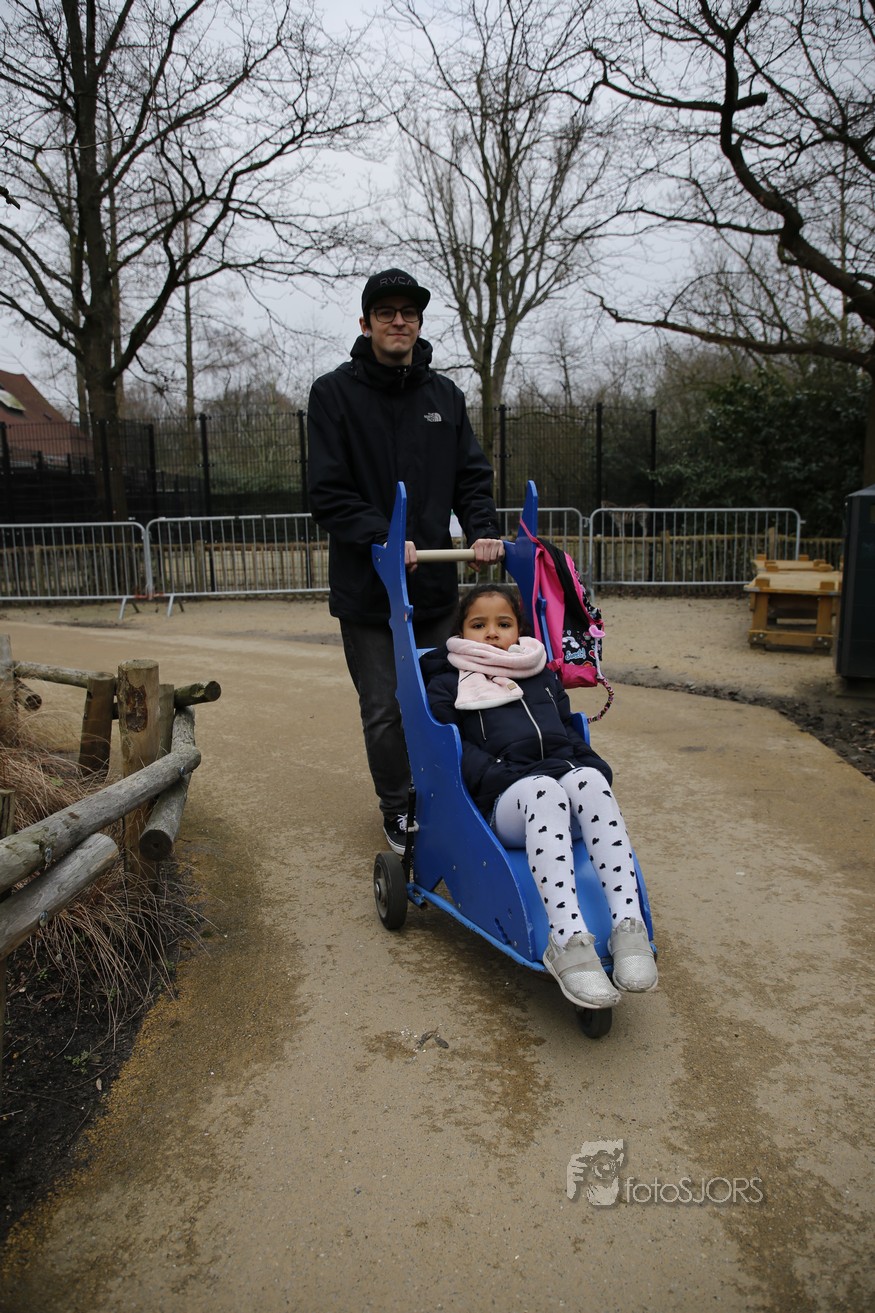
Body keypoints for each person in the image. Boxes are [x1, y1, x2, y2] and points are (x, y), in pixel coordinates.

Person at [307, 268, 503, 854]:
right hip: (369, 594)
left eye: (409, 313)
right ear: (366, 323)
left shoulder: (444, 397)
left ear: (418, 324)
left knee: (455, 697)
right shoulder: (333, 395)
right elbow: (328, 492)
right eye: (386, 312)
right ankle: (399, 808)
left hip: (435, 592)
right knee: (387, 709)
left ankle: (456, 798)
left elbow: (471, 478)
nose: (399, 321)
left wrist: (483, 532)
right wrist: (383, 536)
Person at [421, 582, 658, 1009]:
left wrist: (592, 766)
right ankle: (566, 937)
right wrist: (504, 775)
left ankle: (628, 926)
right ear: (461, 632)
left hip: (561, 786)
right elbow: (456, 751)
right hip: (507, 801)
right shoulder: (448, 681)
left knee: (591, 781)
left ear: (519, 630)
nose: (492, 633)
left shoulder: (540, 675)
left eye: (503, 624)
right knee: (543, 790)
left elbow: (568, 731)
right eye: (479, 624)